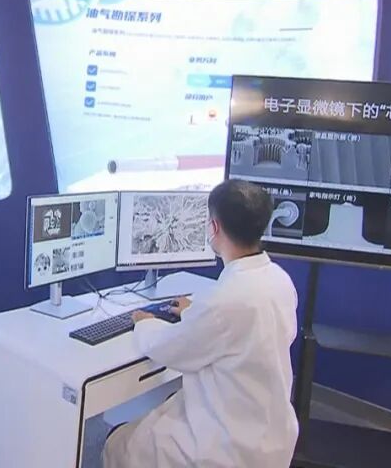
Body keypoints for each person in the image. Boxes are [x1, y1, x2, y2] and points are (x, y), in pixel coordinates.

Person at [102, 179, 299, 468]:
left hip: (227, 449)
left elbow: (169, 348)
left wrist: (145, 323)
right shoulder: (280, 280)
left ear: (214, 228)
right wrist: (195, 313)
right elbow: (243, 329)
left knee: (118, 442)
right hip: (273, 438)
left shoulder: (223, 300)